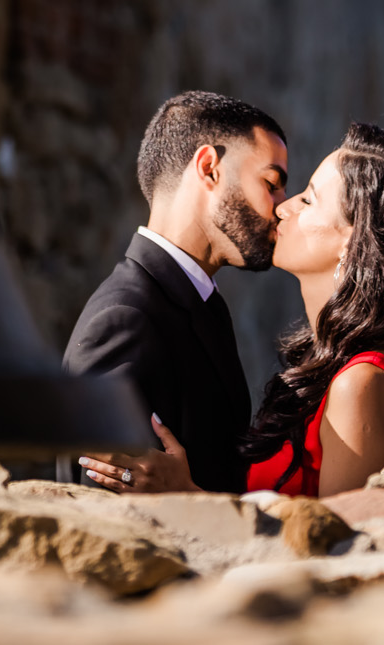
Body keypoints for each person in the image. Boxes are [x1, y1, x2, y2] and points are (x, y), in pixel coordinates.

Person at [81, 121, 384, 500]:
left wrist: (186, 497)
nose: (283, 208)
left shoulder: (364, 384)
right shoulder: (357, 368)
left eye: (308, 199)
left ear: (353, 241)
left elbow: (336, 555)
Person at [65, 91, 289, 494]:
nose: (282, 206)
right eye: (271, 183)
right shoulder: (125, 319)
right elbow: (95, 500)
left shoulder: (201, 303)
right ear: (209, 168)